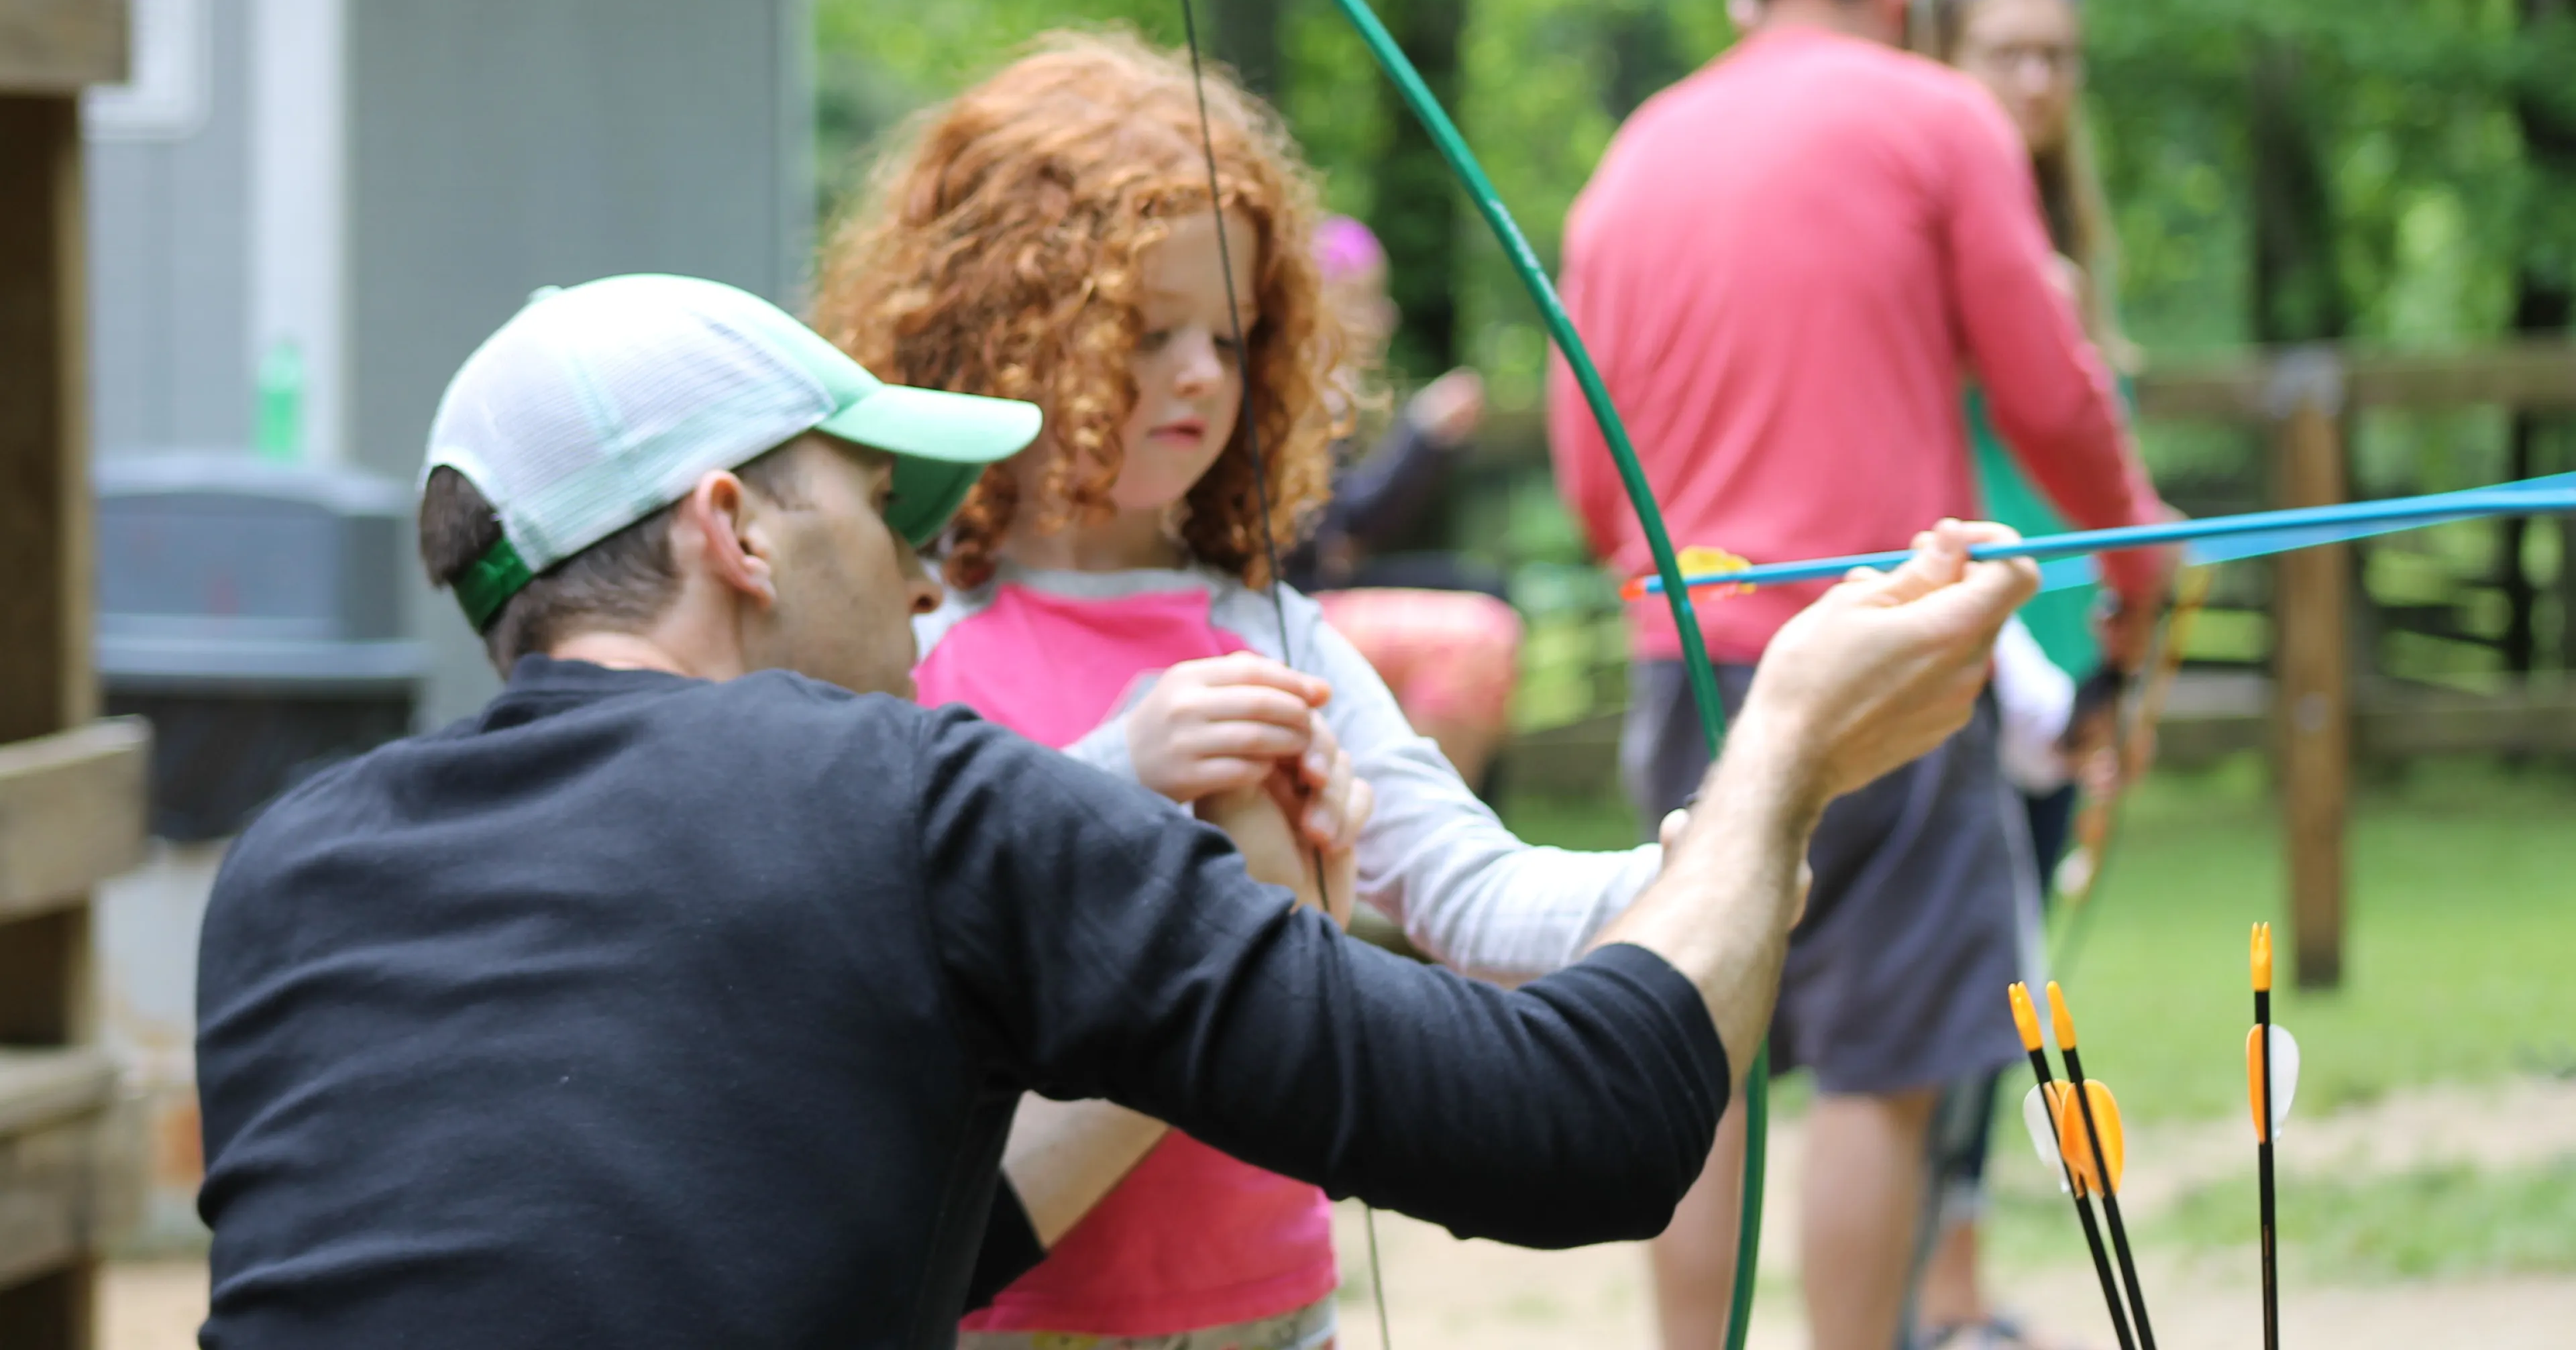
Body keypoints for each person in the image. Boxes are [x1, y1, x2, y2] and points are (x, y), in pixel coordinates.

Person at [192, 270, 2037, 1349]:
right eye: (878, 511)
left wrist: (1217, 988)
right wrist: (1788, 750)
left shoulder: (289, 877)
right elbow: (1590, 1126)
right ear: (732, 532)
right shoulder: (908, 801)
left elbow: (874, 1244)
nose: (920, 582)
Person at [806, 31, 1994, 1350]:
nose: (1202, 373)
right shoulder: (911, 629)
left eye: (1234, 331)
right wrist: (1113, 774)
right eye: (1147, 331)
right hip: (1018, 1316)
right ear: (1007, 331)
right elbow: (887, 939)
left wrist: (1696, 867)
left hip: (1273, 1310)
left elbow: (1473, 894)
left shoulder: (1274, 634)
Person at [1544, 0, 2172, 1349]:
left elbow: (1589, 467)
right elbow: (2052, 387)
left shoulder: (1632, 156)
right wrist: (2139, 559)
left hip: (1688, 660)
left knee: (1702, 1040)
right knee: (1881, 1071)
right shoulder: (1938, 114)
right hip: (1888, 654)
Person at [1919, 0, 2139, 1347]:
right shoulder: (1931, 222)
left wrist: (2122, 640)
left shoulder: (2065, 235)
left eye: (2057, 53)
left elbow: (2100, 452)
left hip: (2067, 643)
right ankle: (1927, 1295)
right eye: (2006, 50)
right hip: (1973, 643)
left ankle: (1953, 1283)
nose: (2039, 79)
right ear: (1945, 57)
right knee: (1959, 975)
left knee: (2016, 976)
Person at [1290, 214, 1520, 788]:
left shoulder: (1329, 397)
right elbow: (1348, 526)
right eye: (1365, 300)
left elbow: (1350, 529)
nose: (1385, 317)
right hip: (1296, 597)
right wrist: (1419, 435)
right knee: (1483, 615)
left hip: (1321, 583)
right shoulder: (1297, 399)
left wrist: (1429, 442)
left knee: (1489, 586)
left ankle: (1472, 816)